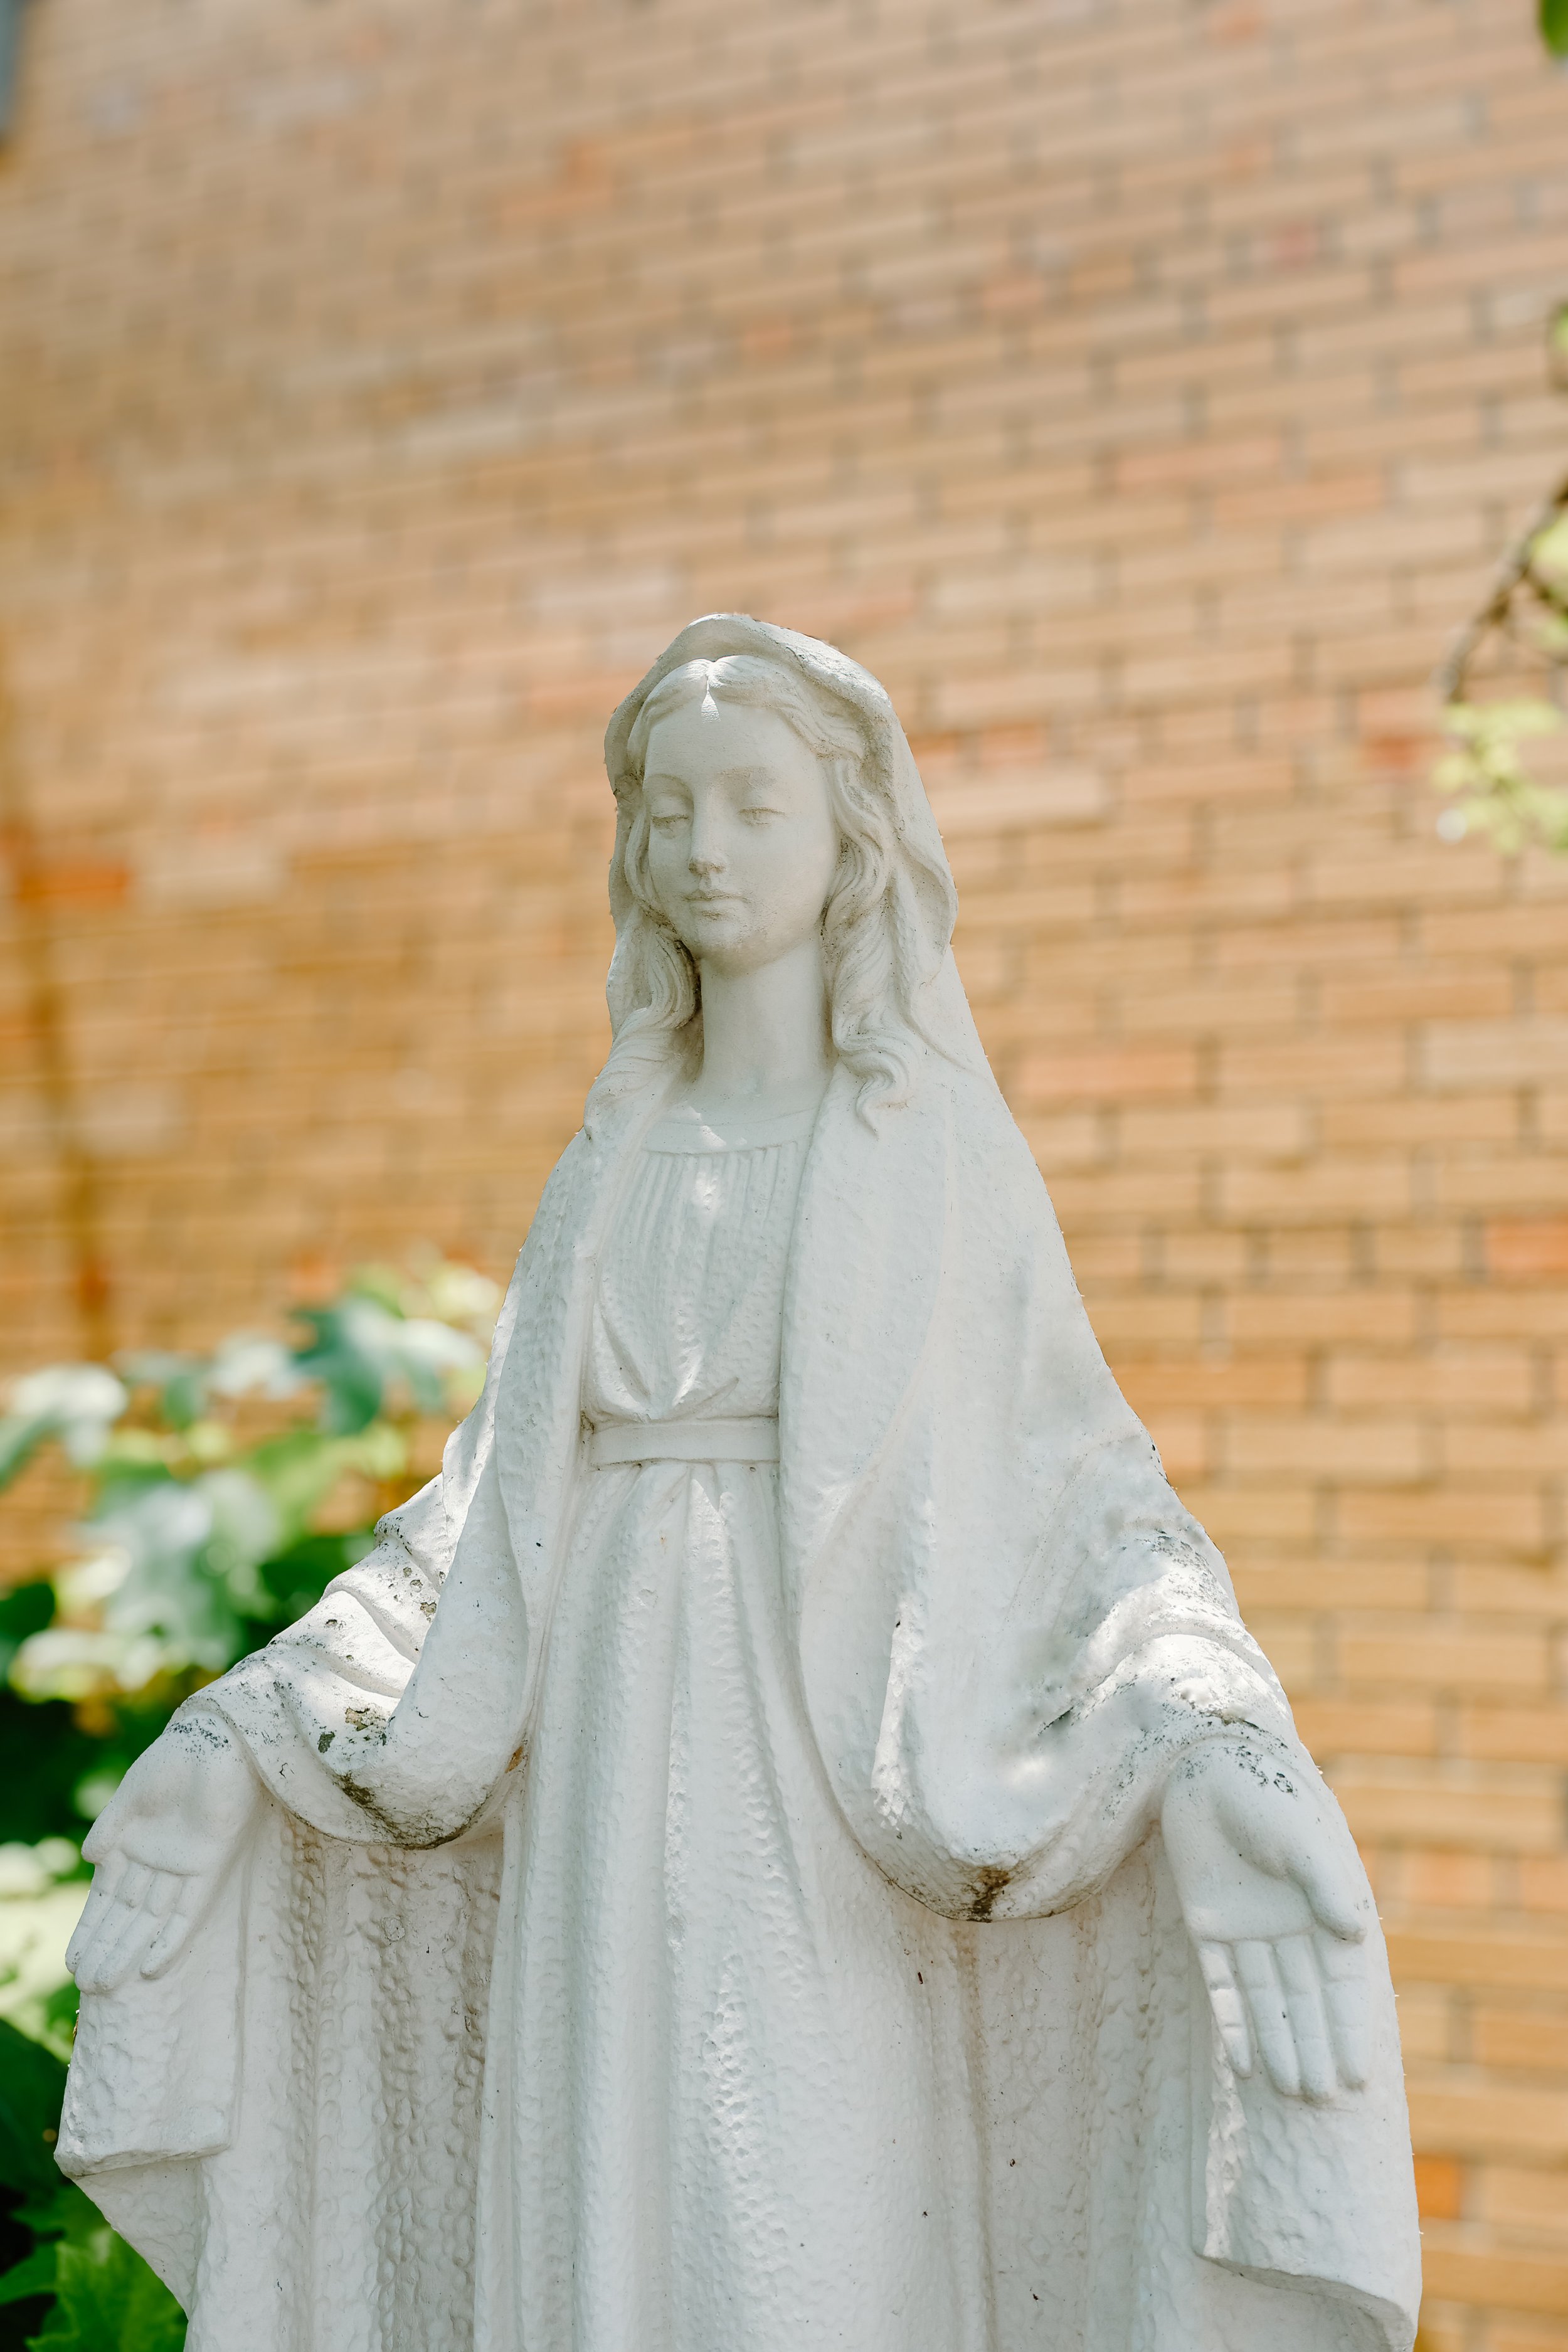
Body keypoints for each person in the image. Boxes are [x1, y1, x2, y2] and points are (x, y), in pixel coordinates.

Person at [60, 616, 1420, 2352]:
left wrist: (1210, 1740)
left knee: (788, 2205)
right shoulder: (614, 1153)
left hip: (820, 1777)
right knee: (584, 2198)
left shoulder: (930, 1155)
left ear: (851, 836)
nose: (703, 848)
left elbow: (1081, 1497)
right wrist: (250, 1731)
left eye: (754, 805)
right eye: (667, 808)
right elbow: (483, 1522)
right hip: (596, 1753)